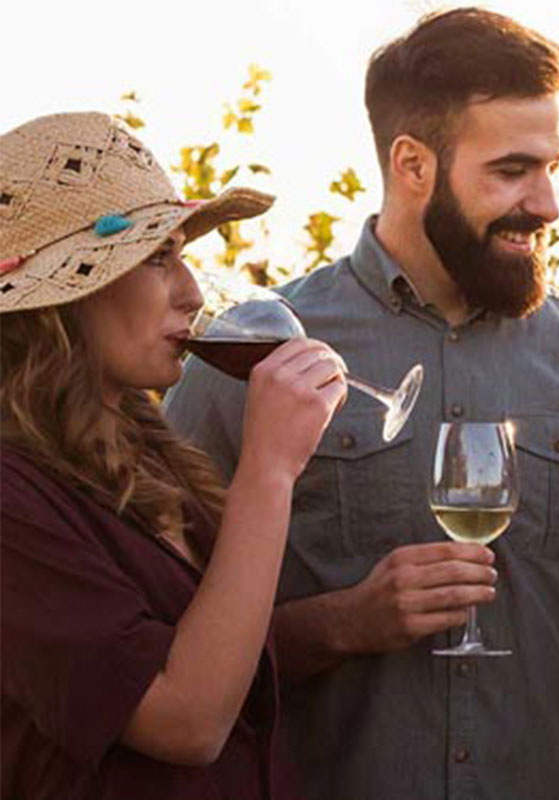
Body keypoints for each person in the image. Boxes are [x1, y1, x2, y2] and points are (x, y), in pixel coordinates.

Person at [164, 8, 559, 800]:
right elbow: (162, 639)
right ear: (412, 164)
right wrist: (343, 624)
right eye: (512, 170)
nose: (546, 203)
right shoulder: (256, 356)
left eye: (554, 168)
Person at [0, 112, 346, 798]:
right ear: (66, 297)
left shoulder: (152, 460)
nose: (192, 292)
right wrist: (269, 471)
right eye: (158, 259)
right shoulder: (11, 499)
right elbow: (187, 723)